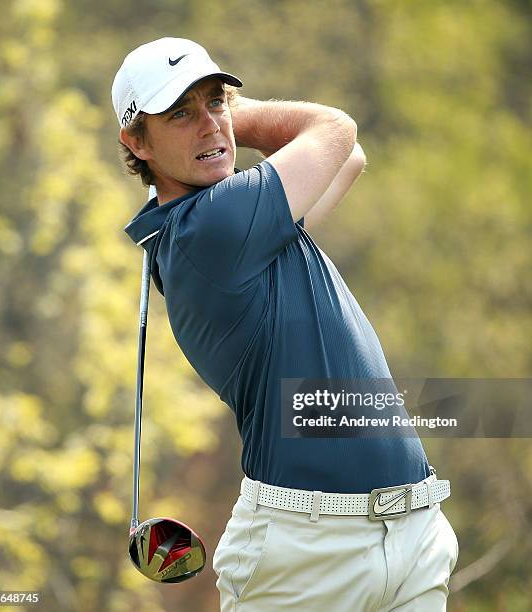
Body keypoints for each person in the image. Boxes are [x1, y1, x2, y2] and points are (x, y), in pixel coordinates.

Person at [112, 37, 459, 611]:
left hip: (411, 530)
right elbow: (335, 131)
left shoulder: (241, 225)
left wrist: (212, 123)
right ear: (136, 142)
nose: (208, 125)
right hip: (307, 553)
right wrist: (236, 121)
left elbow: (348, 161)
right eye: (179, 113)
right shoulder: (213, 227)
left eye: (215, 102)